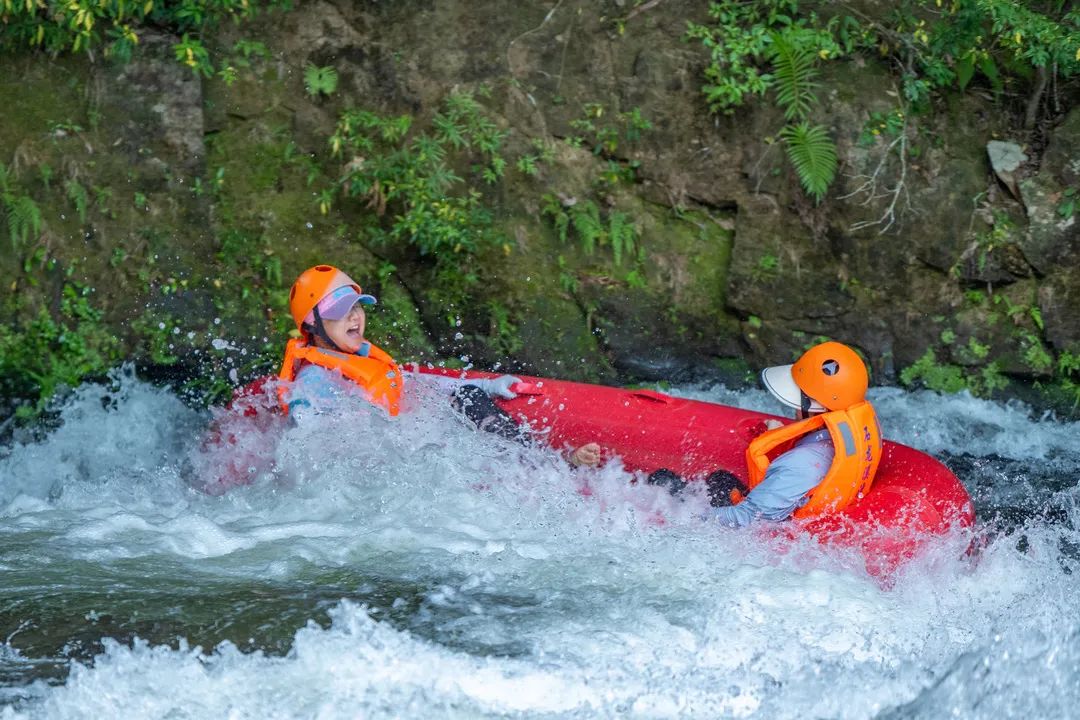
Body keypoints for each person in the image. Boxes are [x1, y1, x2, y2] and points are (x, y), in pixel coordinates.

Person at [278, 264, 602, 467]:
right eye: (340, 310)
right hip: (387, 466)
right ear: (312, 324)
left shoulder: (359, 358)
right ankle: (540, 468)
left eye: (358, 307)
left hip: (413, 445)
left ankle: (548, 463)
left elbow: (415, 386)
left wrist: (487, 385)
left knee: (469, 399)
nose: (354, 316)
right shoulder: (315, 381)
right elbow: (306, 440)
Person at [707, 341, 882, 527]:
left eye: (797, 401)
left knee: (687, 487)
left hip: (770, 529)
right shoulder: (852, 434)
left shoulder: (799, 464)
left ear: (814, 407)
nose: (795, 409)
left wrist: (683, 516)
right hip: (799, 504)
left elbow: (747, 518)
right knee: (721, 480)